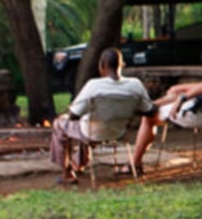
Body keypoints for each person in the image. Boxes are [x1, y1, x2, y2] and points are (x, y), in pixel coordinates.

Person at [129, 22, 202, 174]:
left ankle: (135, 164)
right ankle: (149, 106)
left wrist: (183, 97)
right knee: (174, 91)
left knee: (149, 117)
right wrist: (181, 90)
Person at [49, 47, 156, 184]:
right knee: (86, 124)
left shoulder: (93, 85)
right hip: (119, 132)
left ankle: (67, 173)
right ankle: (78, 164)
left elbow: (74, 115)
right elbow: (149, 110)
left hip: (91, 132)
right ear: (122, 65)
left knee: (59, 125)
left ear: (102, 66)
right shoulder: (135, 85)